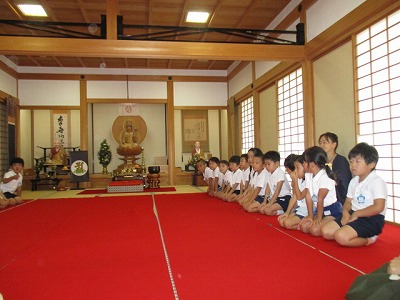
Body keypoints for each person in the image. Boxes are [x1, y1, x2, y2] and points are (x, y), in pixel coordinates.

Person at [321, 142, 387, 247]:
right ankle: (350, 232)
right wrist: (346, 213)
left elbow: (379, 207)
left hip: (371, 218)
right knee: (326, 232)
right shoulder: (354, 181)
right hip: (353, 213)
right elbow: (348, 202)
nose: (353, 165)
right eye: (351, 162)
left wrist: (356, 214)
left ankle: (369, 239)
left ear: (371, 164)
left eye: (357, 162)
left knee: (341, 237)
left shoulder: (376, 181)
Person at [300, 146, 342, 236]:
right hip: (319, 210)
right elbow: (308, 196)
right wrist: (310, 216)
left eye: (304, 162)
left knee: (314, 230)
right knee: (304, 227)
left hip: (331, 210)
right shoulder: (308, 175)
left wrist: (318, 218)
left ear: (312, 164)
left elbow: (320, 199)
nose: (302, 164)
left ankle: (338, 224)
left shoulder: (325, 176)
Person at [318, 132, 352, 205]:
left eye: (324, 142)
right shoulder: (321, 161)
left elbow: (343, 182)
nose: (321, 145)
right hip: (323, 197)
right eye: (320, 143)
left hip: (338, 199)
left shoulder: (341, 161)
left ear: (334, 145)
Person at [278, 155, 309, 230]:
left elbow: (299, 197)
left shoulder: (308, 181)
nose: (295, 171)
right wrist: (287, 212)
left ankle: (303, 224)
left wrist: (295, 182)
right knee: (282, 221)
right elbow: (294, 197)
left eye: (297, 168)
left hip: (306, 211)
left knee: (287, 223)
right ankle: (300, 222)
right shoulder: (299, 180)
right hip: (300, 209)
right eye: (295, 168)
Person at [258, 151, 292, 216]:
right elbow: (268, 187)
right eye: (265, 164)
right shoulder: (269, 172)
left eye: (268, 164)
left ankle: (285, 210)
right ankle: (281, 211)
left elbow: (277, 190)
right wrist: (265, 201)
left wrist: (270, 203)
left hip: (284, 198)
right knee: (261, 209)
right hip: (275, 198)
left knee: (267, 210)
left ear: (277, 164)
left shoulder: (280, 173)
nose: (266, 167)